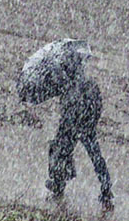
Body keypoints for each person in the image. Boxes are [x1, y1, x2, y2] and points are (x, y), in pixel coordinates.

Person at [45, 42, 114, 210]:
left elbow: (68, 105)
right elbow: (97, 107)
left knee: (59, 152)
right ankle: (106, 189)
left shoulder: (66, 82)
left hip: (70, 125)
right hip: (84, 126)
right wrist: (90, 123)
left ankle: (58, 183)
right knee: (95, 157)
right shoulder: (88, 83)